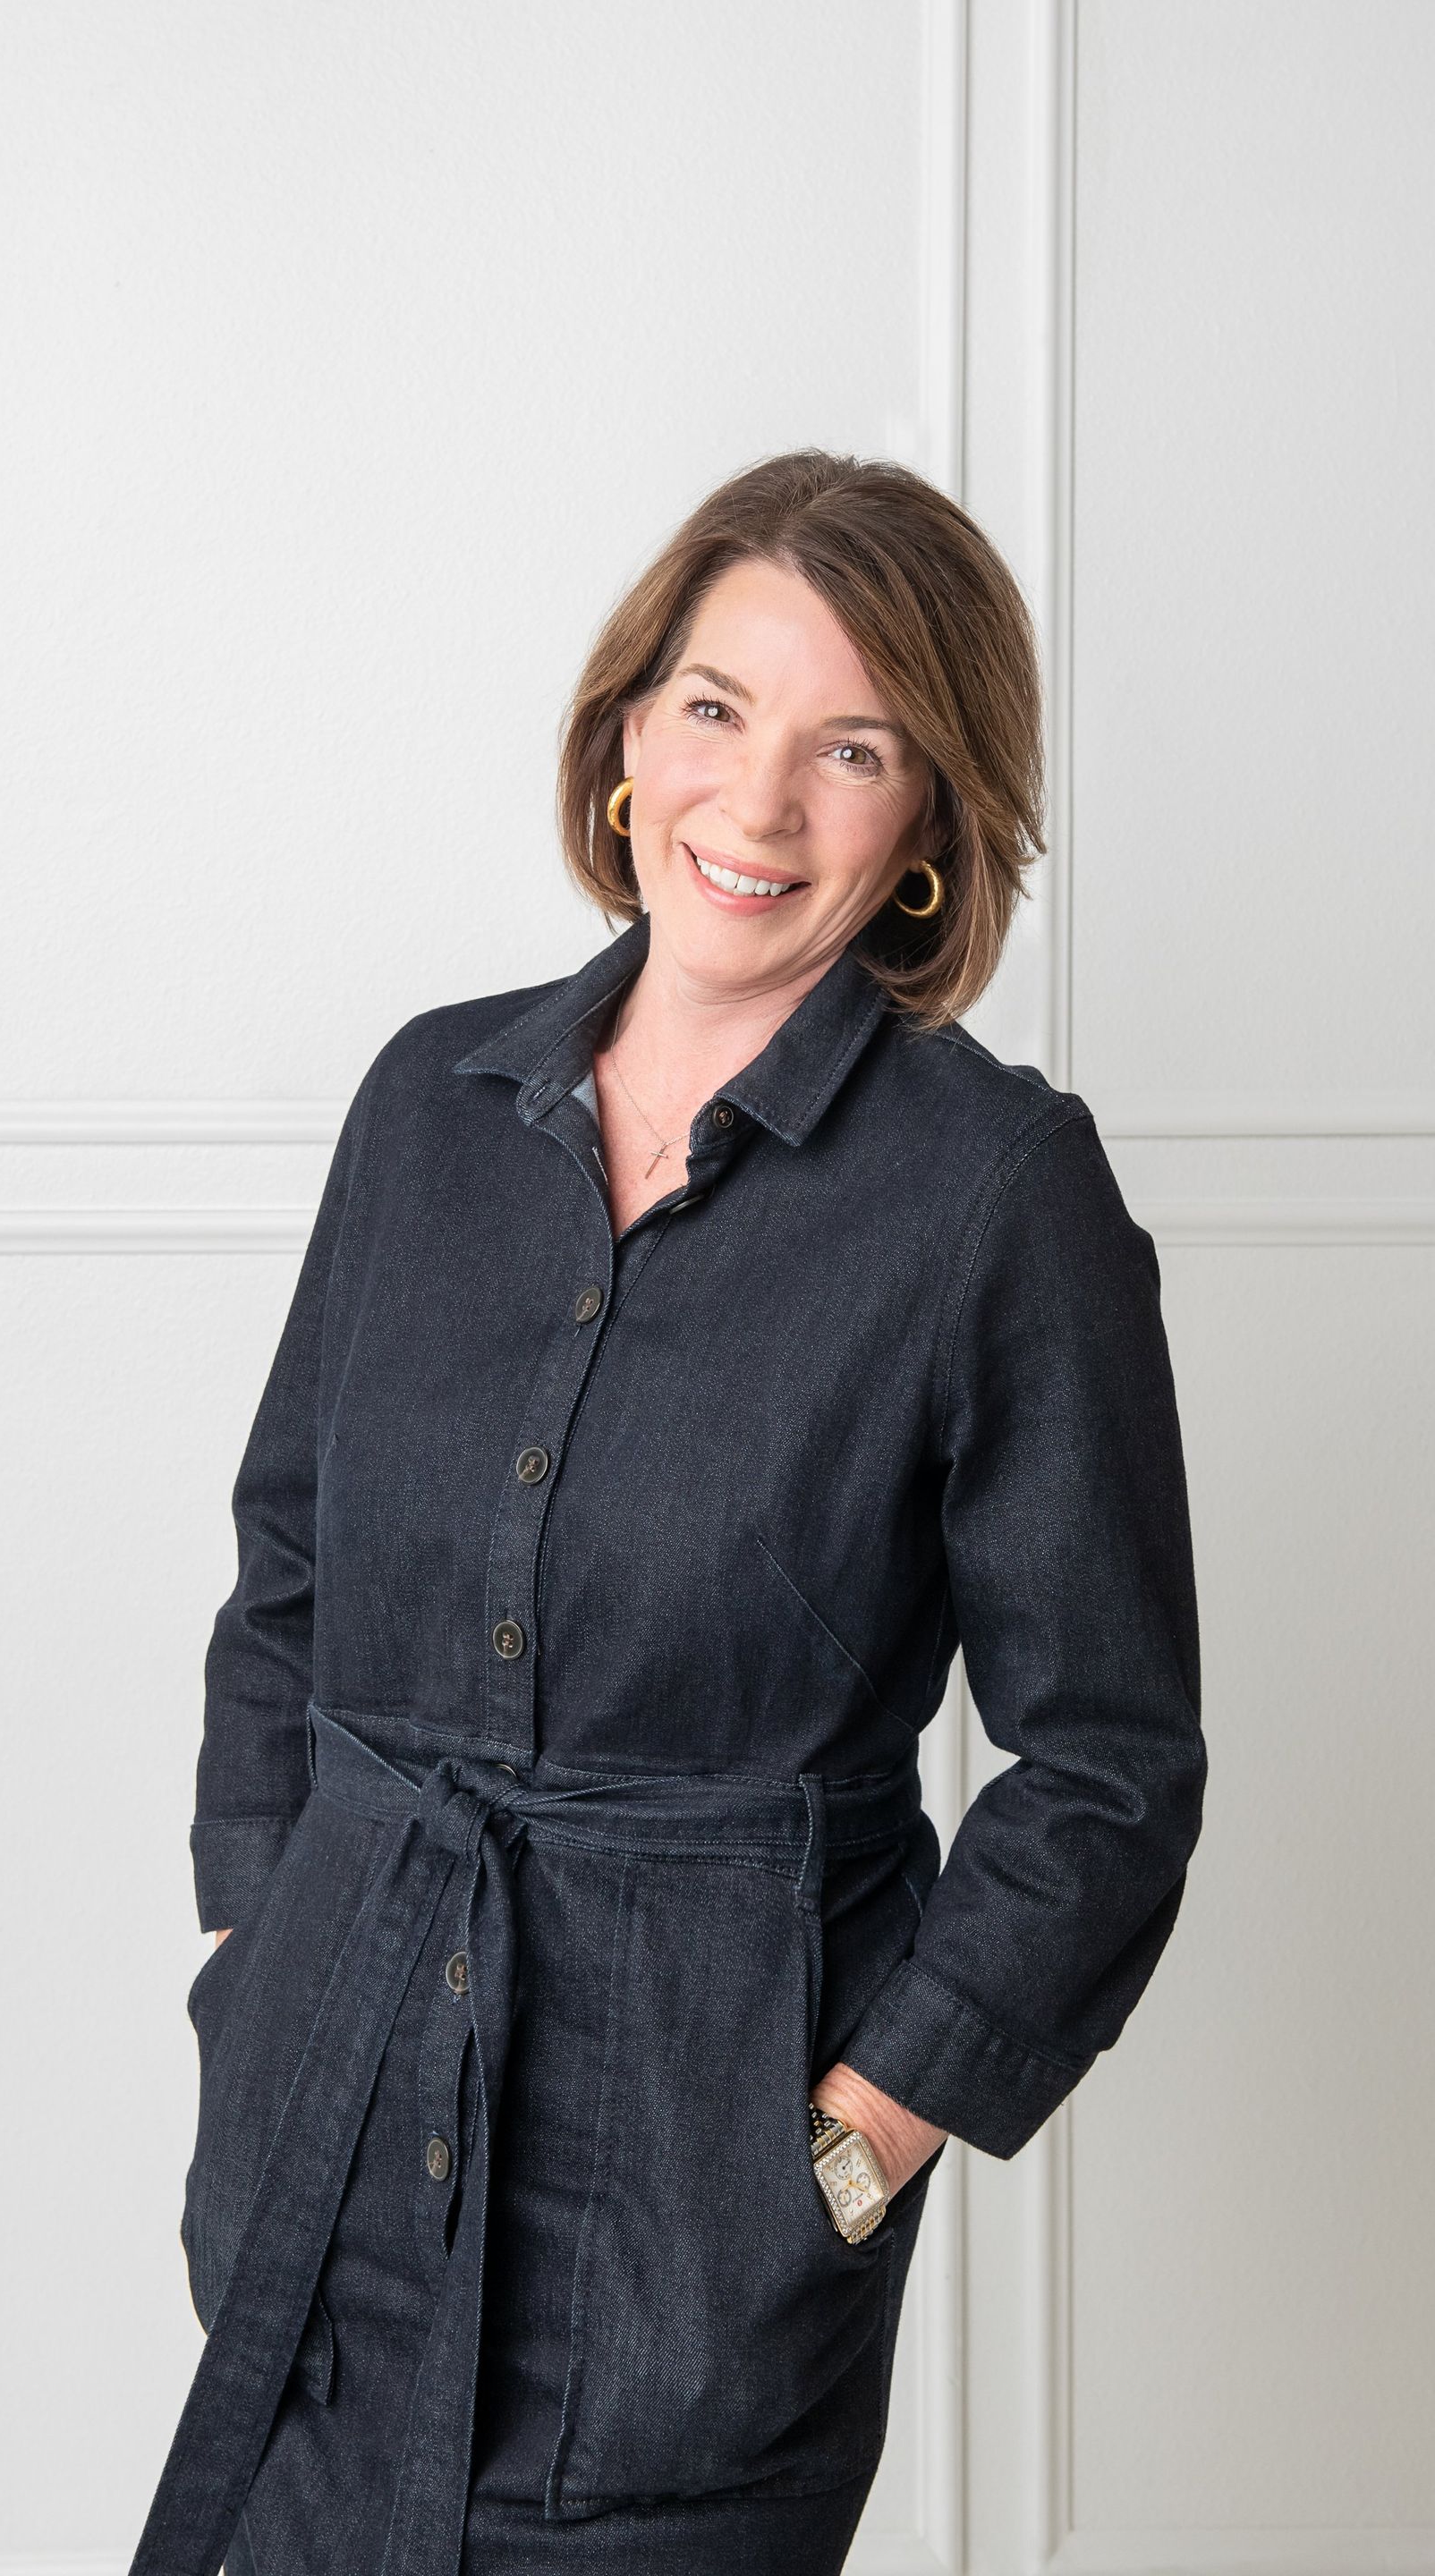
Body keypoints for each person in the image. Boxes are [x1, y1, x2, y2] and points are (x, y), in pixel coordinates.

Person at [127, 451, 1207, 2576]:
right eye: (715, 708)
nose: (761, 803)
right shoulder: (427, 1103)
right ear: (627, 733)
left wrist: (855, 2141)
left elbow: (1109, 1765)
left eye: (854, 747)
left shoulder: (994, 1198)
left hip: (691, 2240)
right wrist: (257, 1944)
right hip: (327, 2128)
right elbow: (290, 1568)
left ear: (927, 824)